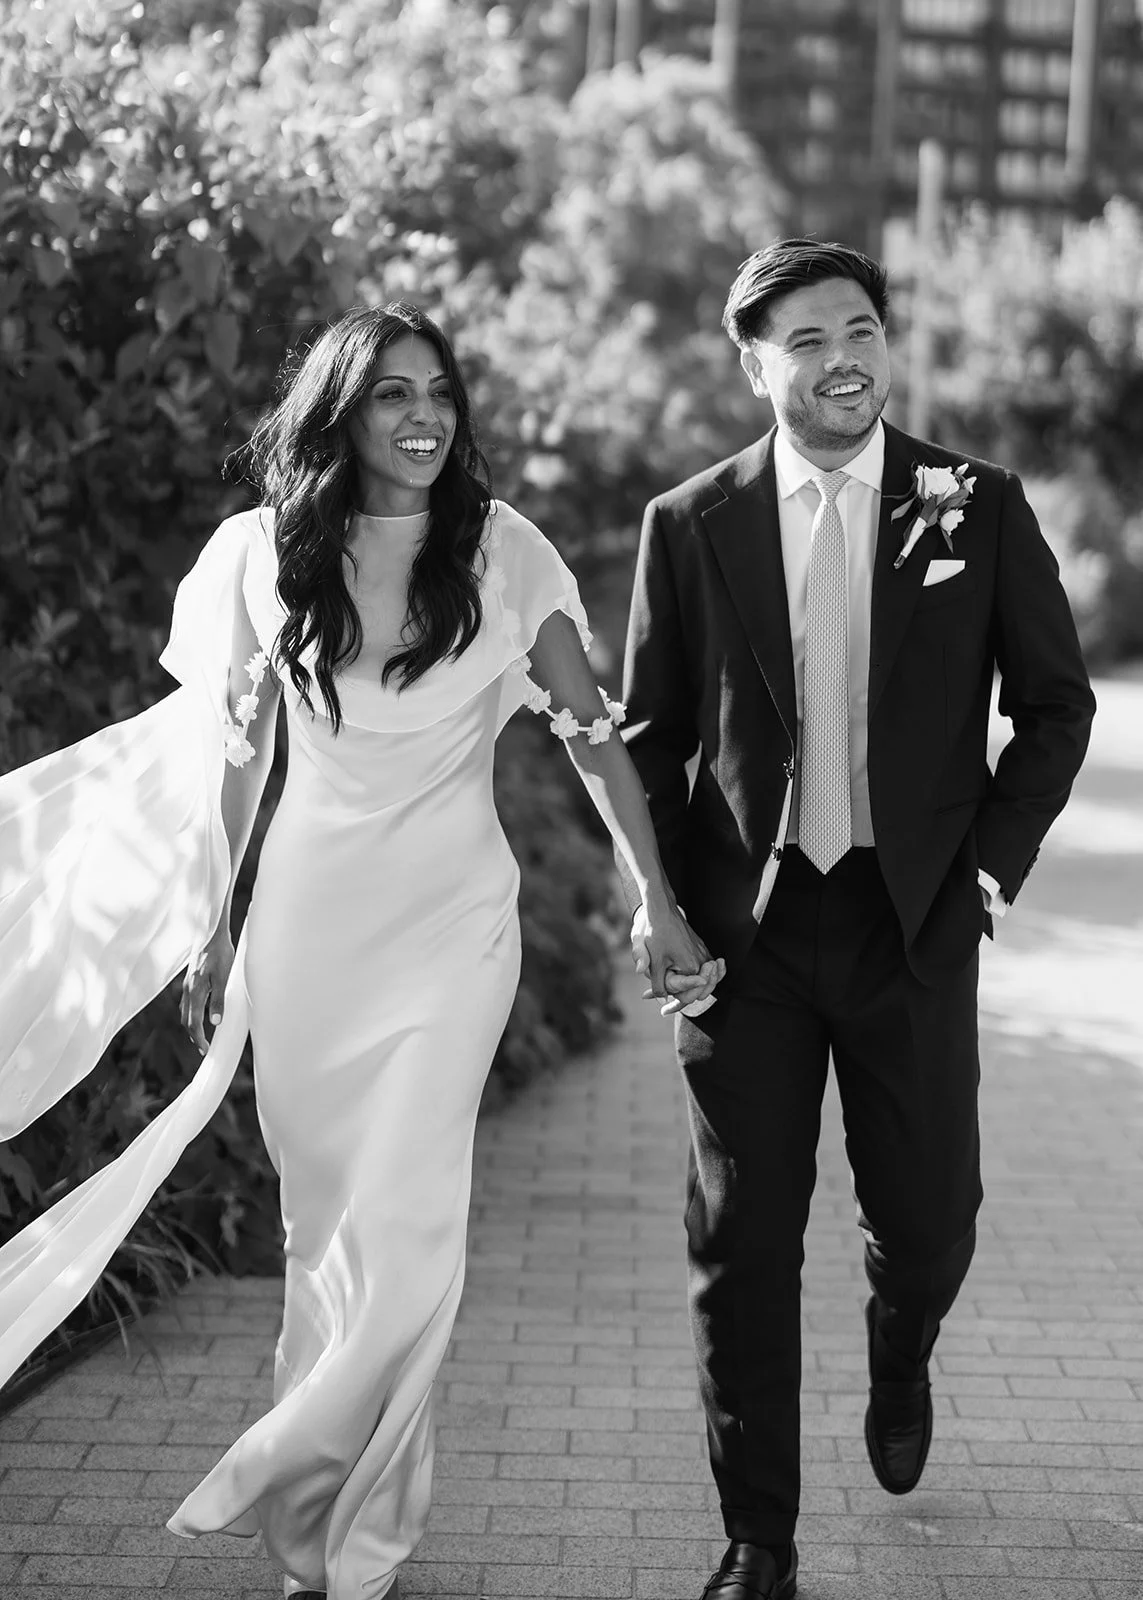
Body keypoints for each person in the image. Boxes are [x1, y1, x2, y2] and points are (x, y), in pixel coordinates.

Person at [0, 301, 723, 1599]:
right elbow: (241, 757)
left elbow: (591, 739)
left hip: (451, 928)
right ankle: (322, 1548)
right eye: (391, 394)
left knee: (410, 1225)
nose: (423, 416)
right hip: (311, 922)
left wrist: (653, 899)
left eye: (438, 391)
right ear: (341, 411)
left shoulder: (505, 557)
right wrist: (211, 917)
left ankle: (306, 1481)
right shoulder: (258, 557)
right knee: (326, 1230)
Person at [617, 238, 1096, 1600]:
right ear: (753, 363)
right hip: (741, 944)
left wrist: (983, 879)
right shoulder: (689, 522)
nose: (846, 359)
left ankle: (903, 1337)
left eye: (864, 329)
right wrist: (650, 905)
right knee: (740, 1250)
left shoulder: (974, 505)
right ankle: (755, 1542)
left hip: (911, 927)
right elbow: (648, 745)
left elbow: (1055, 710)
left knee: (930, 1218)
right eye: (812, 339)